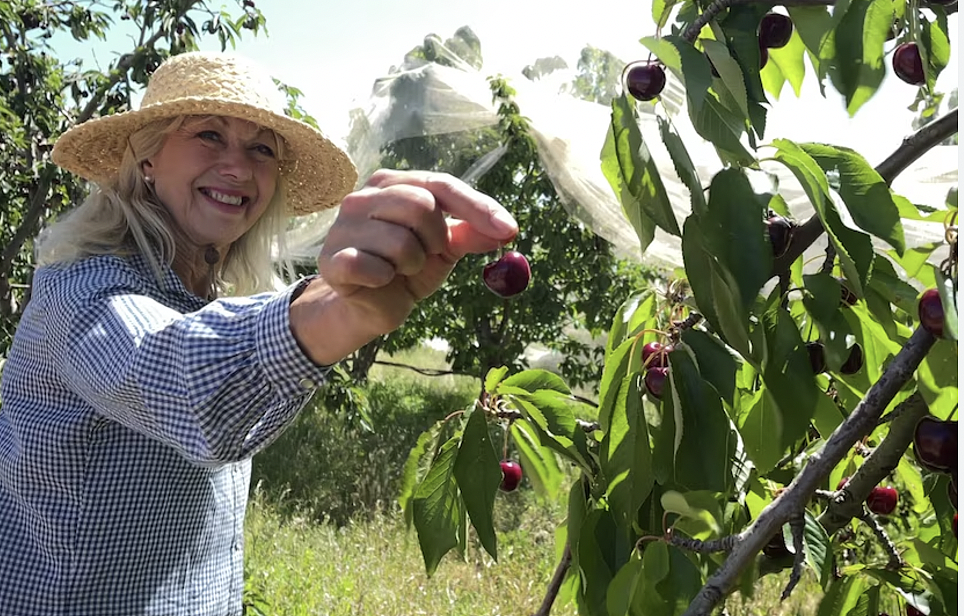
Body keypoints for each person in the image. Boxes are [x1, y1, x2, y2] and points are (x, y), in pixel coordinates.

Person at [0, 51, 518, 615]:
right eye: (208, 135)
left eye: (261, 148)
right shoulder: (81, 285)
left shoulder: (219, 298)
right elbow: (171, 378)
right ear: (147, 159)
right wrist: (336, 311)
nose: (239, 168)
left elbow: (224, 432)